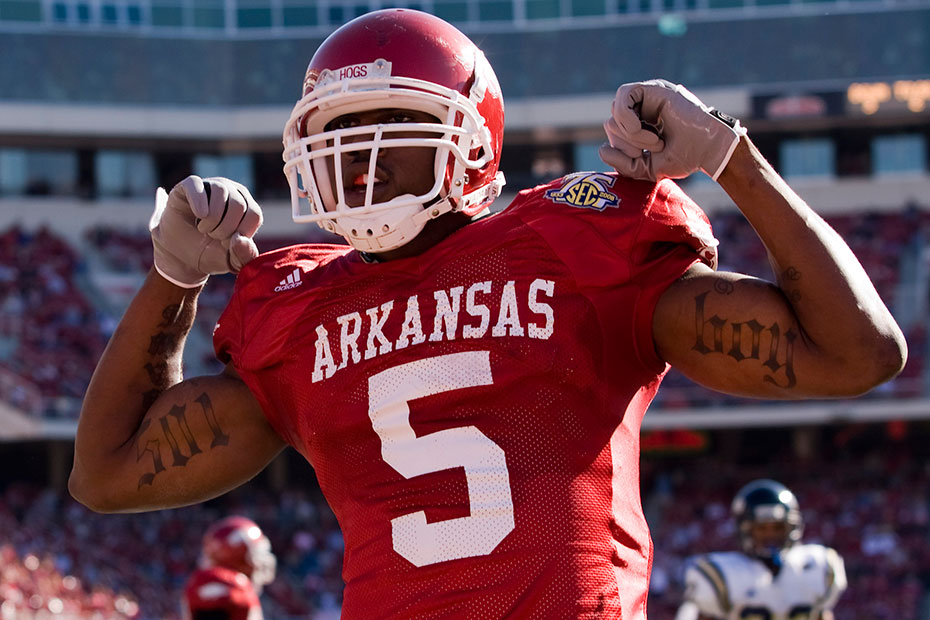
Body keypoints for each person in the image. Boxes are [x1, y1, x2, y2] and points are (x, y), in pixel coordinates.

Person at [69, 8, 906, 619]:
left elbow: (858, 354)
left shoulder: (572, 244)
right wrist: (171, 275)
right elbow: (104, 476)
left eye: (387, 124)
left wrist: (733, 155)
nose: (356, 158)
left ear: (470, 140)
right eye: (339, 129)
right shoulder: (299, 308)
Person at [674, 479, 847, 620]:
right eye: (761, 528)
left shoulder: (816, 566)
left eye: (778, 528)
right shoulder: (720, 575)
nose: (770, 535)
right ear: (745, 529)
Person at [182, 516, 276, 620]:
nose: (260, 562)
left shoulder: (238, 587)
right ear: (238, 555)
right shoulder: (230, 587)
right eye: (255, 554)